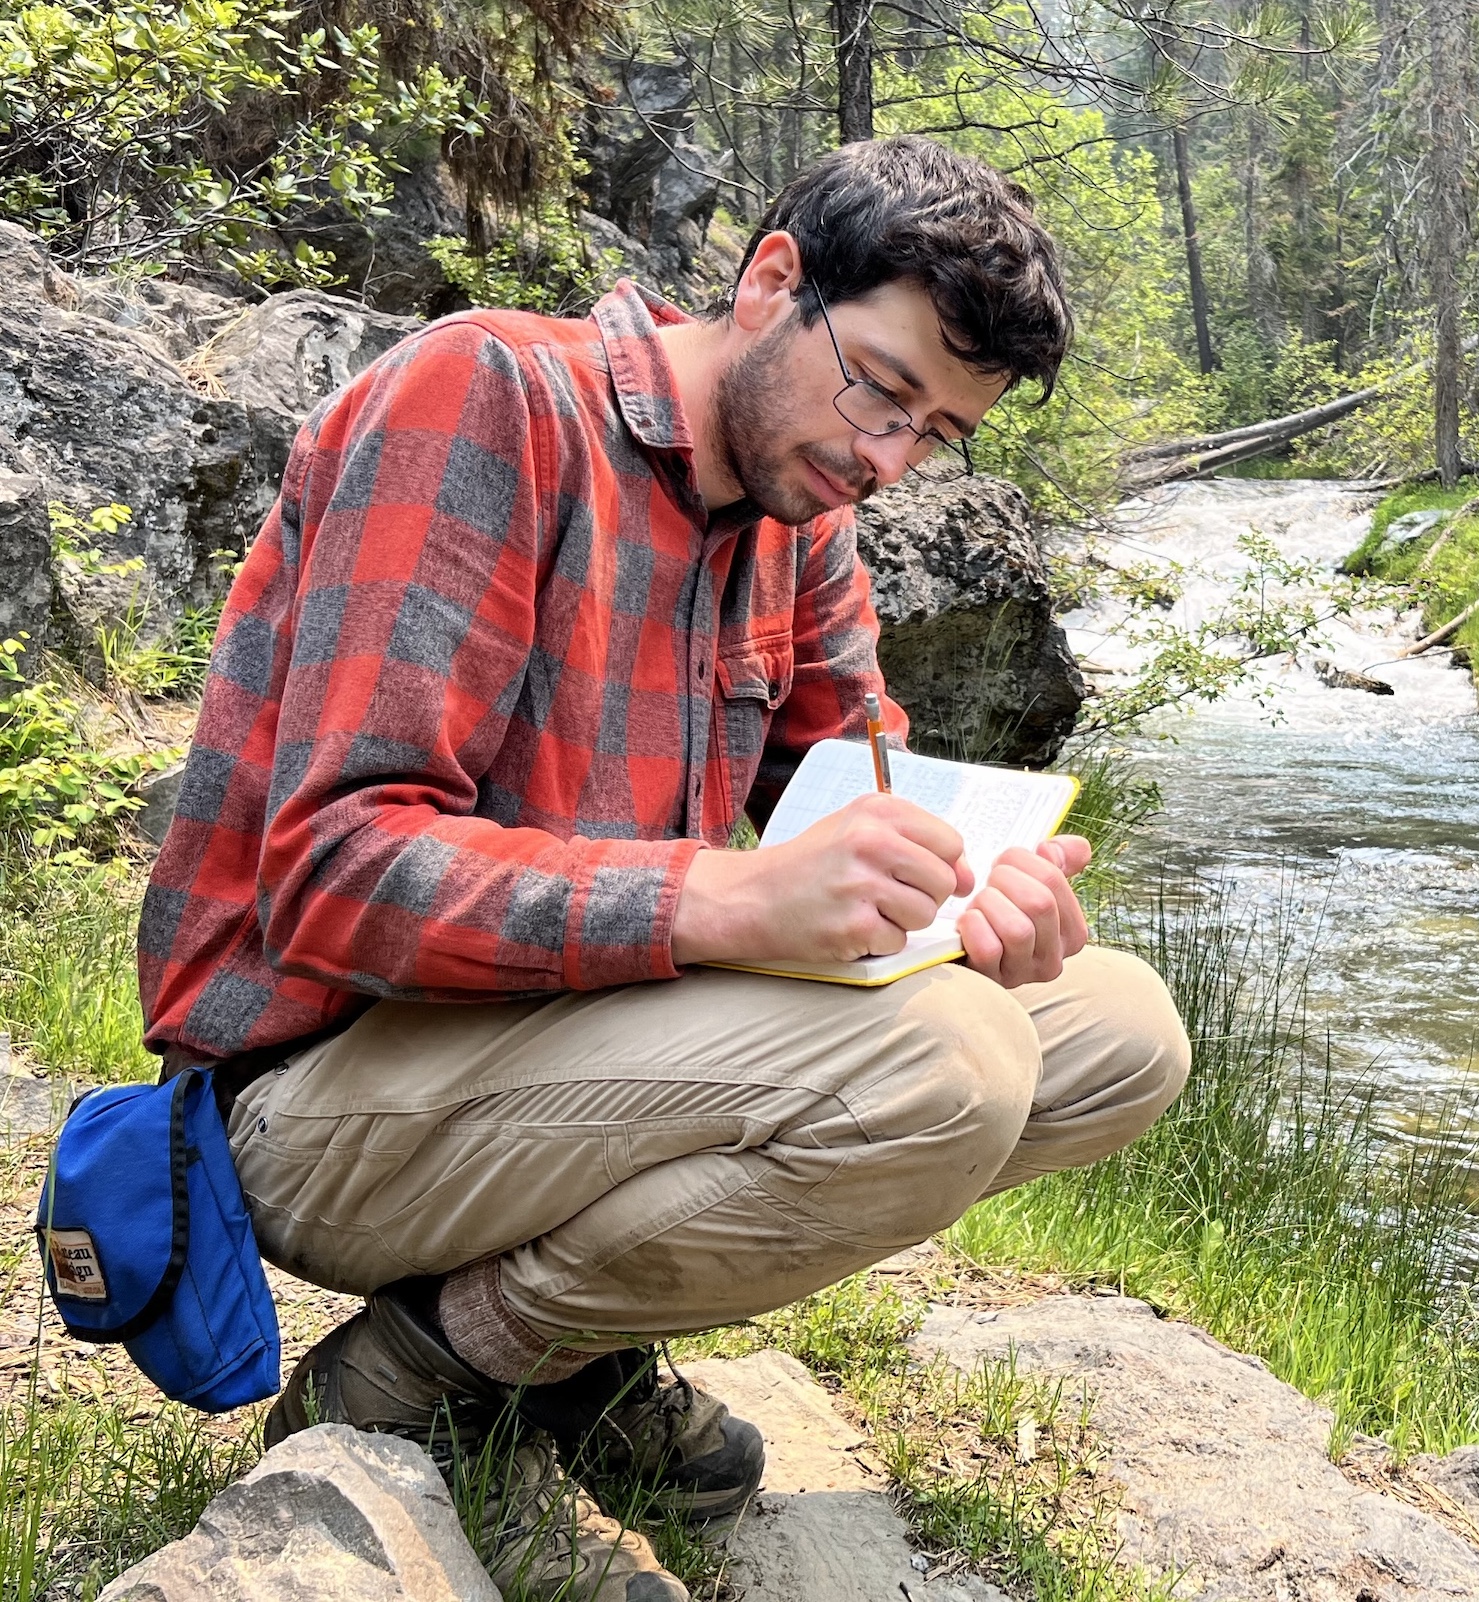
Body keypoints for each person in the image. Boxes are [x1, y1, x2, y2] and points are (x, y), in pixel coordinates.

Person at [137, 135, 1191, 1601]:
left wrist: (974, 892)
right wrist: (729, 899)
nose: (887, 459)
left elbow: (869, 793)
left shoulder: (800, 512)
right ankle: (428, 1373)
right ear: (771, 281)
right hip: (312, 1092)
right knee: (947, 1063)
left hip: (566, 1054)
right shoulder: (485, 398)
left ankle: (556, 1344)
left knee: (1119, 1030)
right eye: (881, 389)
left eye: (937, 433)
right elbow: (335, 875)